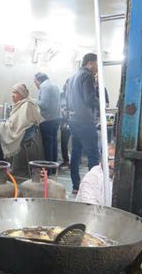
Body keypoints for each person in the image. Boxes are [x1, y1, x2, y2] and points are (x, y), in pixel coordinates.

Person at [65, 53, 103, 192]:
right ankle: (91, 188)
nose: (98, 68)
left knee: (76, 153)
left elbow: (68, 101)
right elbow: (89, 99)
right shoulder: (87, 76)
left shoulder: (73, 77)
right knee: (93, 154)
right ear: (90, 62)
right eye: (97, 64)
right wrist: (101, 104)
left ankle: (76, 186)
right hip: (85, 121)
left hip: (73, 120)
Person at [0, 83, 42, 159]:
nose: (12, 95)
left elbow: (18, 126)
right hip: (24, 133)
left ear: (21, 94)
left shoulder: (27, 105)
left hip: (24, 135)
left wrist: (2, 125)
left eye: (15, 92)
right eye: (12, 92)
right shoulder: (22, 104)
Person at [34, 72, 66, 165]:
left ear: (38, 80)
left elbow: (43, 105)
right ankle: (53, 166)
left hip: (47, 119)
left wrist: (33, 101)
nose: (35, 84)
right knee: (54, 143)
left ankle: (48, 167)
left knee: (48, 144)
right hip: (57, 118)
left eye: (35, 82)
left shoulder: (44, 87)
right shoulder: (55, 85)